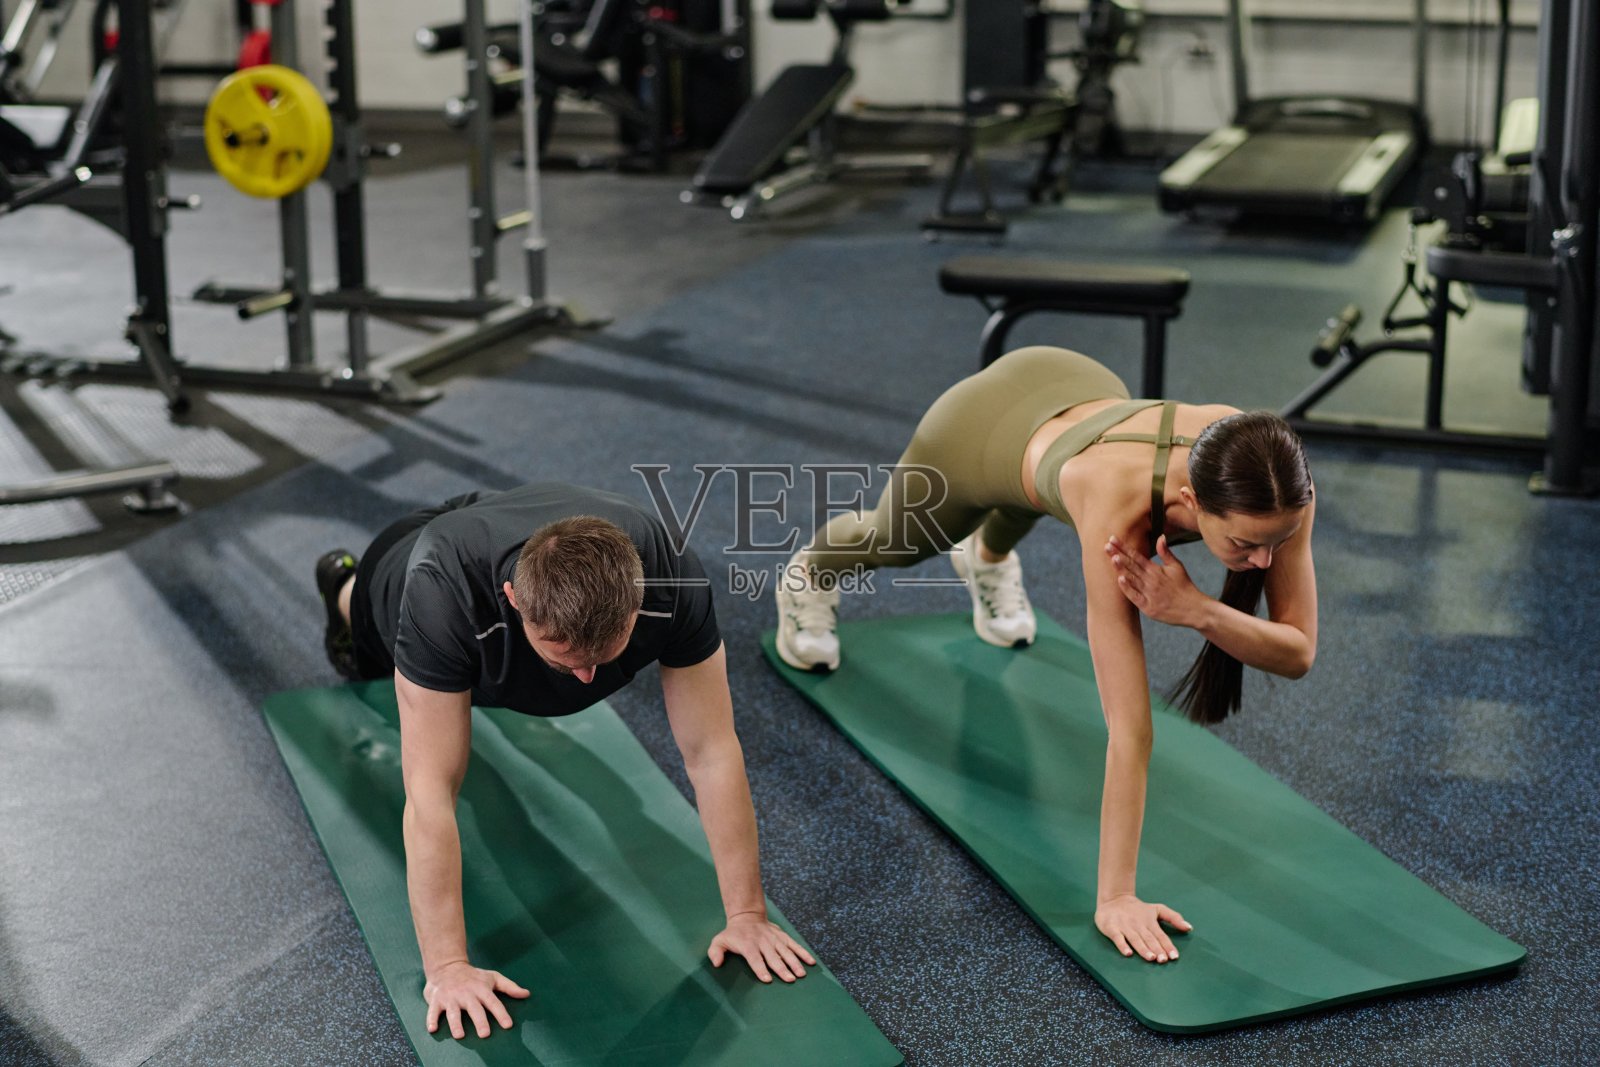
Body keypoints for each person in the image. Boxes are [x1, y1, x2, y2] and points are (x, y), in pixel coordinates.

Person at [775, 346, 1317, 968]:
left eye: (1277, 541)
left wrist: (1197, 609)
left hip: (1083, 387)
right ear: (1193, 500)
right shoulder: (1116, 506)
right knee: (896, 542)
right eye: (1247, 545)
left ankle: (988, 557)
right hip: (978, 428)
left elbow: (1298, 653)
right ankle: (809, 574)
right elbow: (1129, 729)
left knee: (1032, 493)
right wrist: (1116, 896)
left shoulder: (1273, 477)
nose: (1266, 561)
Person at [315, 483, 814, 1042]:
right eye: (564, 656)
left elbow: (712, 751)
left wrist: (747, 916)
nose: (586, 678)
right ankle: (342, 584)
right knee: (365, 636)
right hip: (412, 561)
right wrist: (448, 969)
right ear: (513, 598)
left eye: (605, 653)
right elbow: (430, 790)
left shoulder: (670, 574)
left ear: (636, 597)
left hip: (510, 522)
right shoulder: (442, 593)